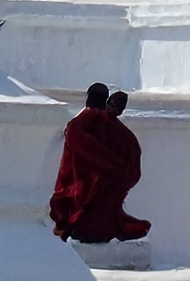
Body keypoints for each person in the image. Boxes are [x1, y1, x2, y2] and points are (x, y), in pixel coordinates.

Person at [51, 82, 150, 243]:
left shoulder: (83, 121)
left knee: (85, 213)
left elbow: (82, 144)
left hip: (89, 180)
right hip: (106, 180)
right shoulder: (116, 128)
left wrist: (109, 166)